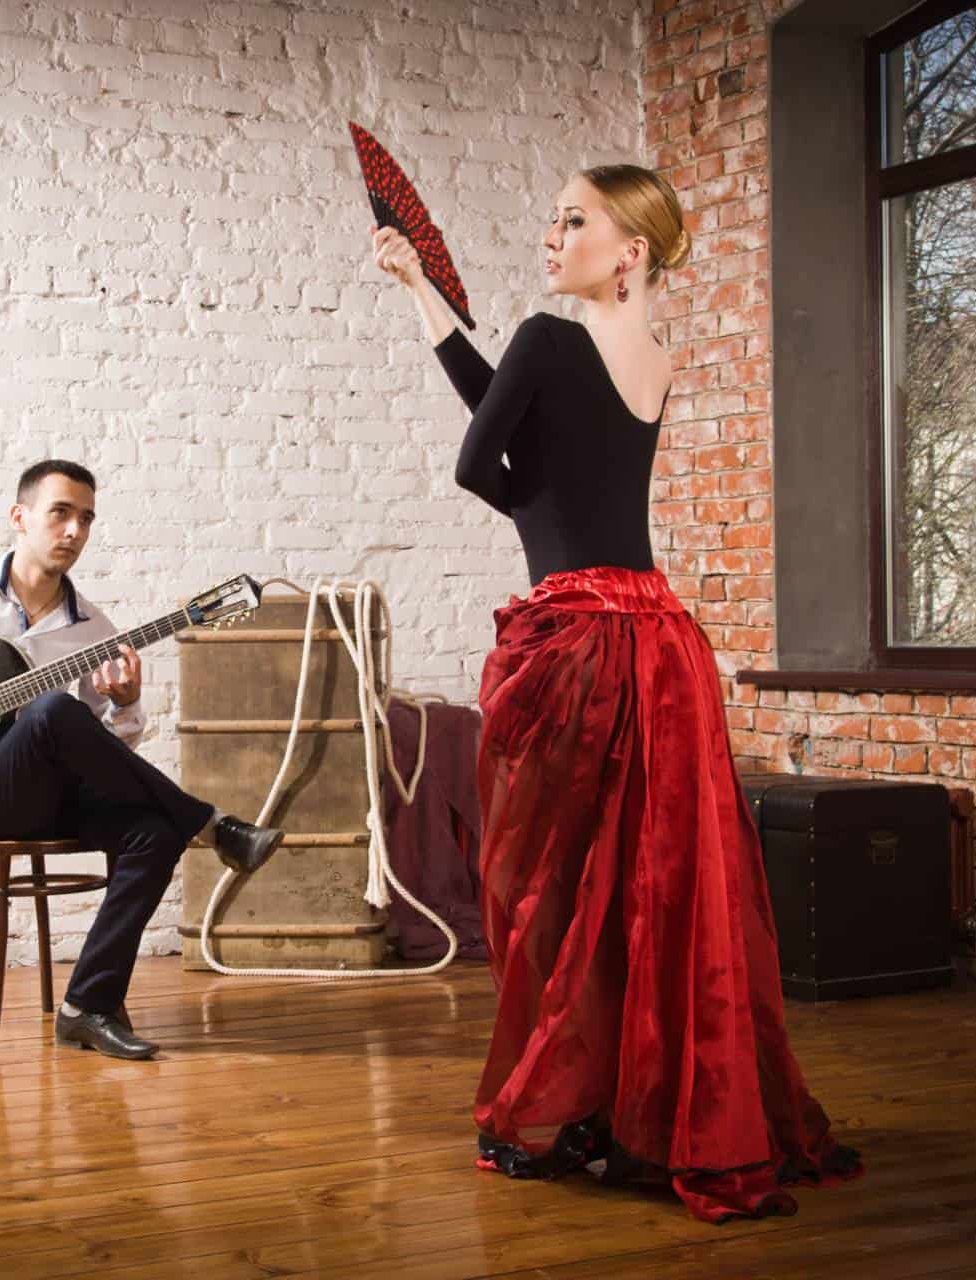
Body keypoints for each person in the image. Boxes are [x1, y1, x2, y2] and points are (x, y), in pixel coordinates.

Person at [370, 165, 861, 1222]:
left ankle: (567, 1104)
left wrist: (521, 498)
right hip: (662, 639)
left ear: (629, 250)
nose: (552, 235)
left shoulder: (549, 337)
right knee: (647, 885)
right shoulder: (655, 356)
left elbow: (485, 461)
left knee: (549, 887)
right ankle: (638, 1107)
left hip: (576, 639)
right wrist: (422, 291)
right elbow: (529, 424)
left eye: (574, 220)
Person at [0, 459, 284, 1060]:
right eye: (61, 513)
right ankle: (211, 823)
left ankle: (87, 1007)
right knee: (50, 708)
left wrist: (125, 705)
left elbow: (109, 756)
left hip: (53, 797)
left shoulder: (94, 628)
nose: (74, 531)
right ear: (20, 518)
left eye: (86, 519)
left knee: (151, 830)